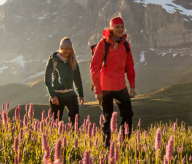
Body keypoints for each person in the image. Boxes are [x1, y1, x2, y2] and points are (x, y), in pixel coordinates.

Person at [90, 16, 135, 145]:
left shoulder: (125, 45)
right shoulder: (103, 44)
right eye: (117, 27)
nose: (120, 29)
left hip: (121, 86)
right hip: (105, 88)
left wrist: (132, 86)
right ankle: (107, 146)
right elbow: (94, 67)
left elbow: (130, 66)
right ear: (111, 28)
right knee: (107, 118)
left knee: (128, 114)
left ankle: (124, 143)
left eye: (122, 27)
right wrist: (98, 90)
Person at [44, 37, 84, 124]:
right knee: (55, 122)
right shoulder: (53, 61)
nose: (68, 51)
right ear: (61, 48)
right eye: (66, 49)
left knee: (75, 121)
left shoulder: (73, 61)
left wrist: (80, 94)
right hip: (57, 95)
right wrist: (52, 96)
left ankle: (74, 137)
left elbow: (77, 78)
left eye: (70, 49)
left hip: (71, 95)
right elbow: (47, 80)